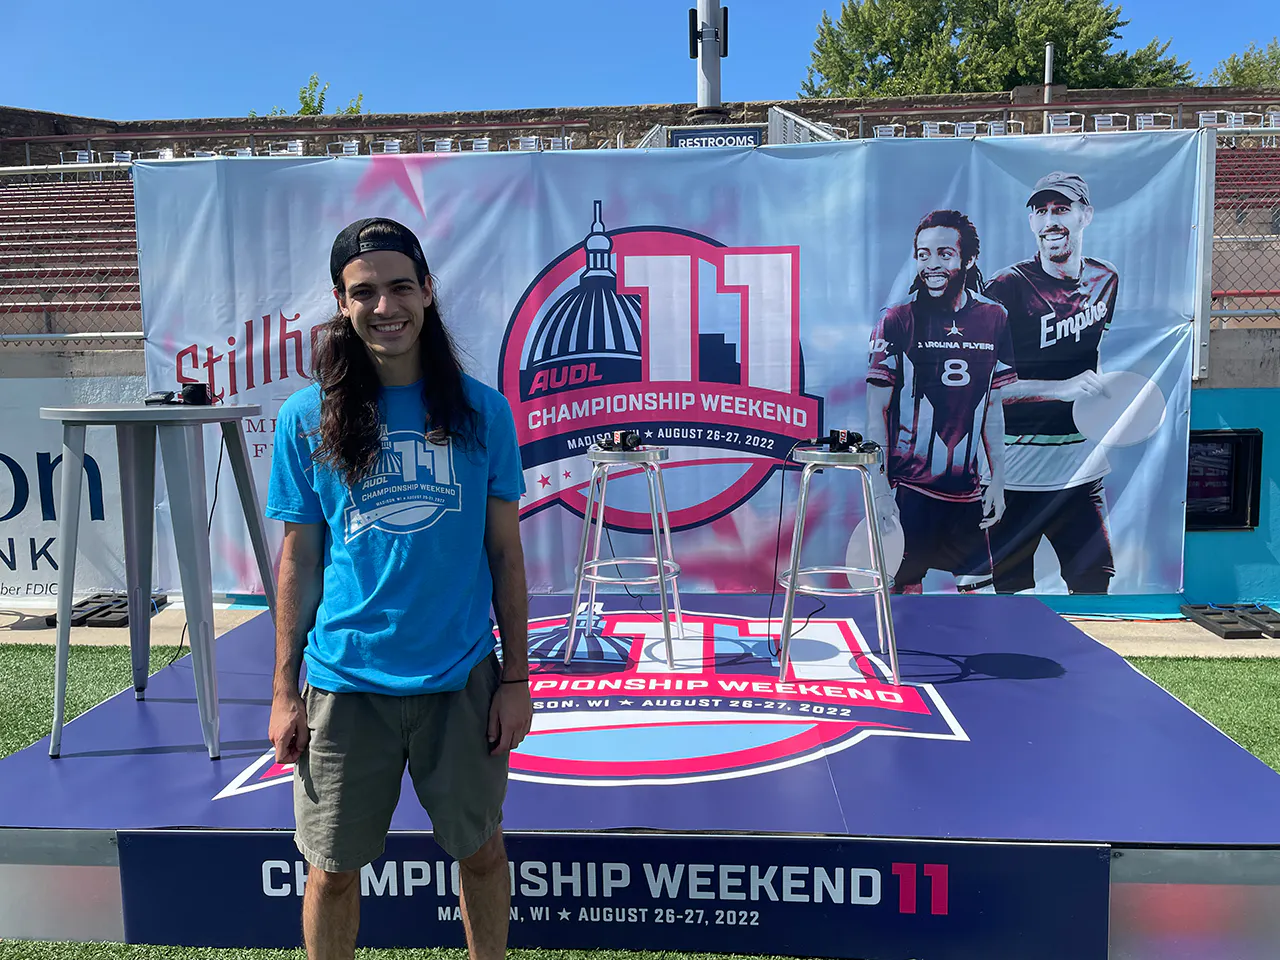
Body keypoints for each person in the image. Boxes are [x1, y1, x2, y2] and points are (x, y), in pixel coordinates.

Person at [265, 217, 532, 960]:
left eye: (400, 287)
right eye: (365, 292)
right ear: (341, 303)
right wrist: (285, 690)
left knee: (480, 854)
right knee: (332, 872)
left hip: (462, 680)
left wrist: (516, 679)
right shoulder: (305, 417)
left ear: (428, 291)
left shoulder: (483, 412)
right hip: (346, 685)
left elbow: (507, 557)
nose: (386, 307)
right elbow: (299, 562)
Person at [865, 209, 1017, 594]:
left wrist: (997, 478)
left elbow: (993, 405)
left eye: (944, 254)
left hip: (967, 496)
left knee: (980, 609)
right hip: (911, 494)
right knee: (901, 608)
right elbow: (875, 412)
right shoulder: (897, 319)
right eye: (923, 254)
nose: (931, 264)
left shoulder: (994, 317)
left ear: (967, 259)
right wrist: (881, 494)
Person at [983, 172, 1120, 595]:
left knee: (1094, 584)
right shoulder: (1006, 287)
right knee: (1009, 592)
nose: (1050, 220)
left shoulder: (1106, 279)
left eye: (1061, 209)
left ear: (1086, 216)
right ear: (1031, 223)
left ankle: (1094, 662)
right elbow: (981, 388)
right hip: (1014, 471)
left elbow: (1097, 358)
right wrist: (1059, 388)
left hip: (1080, 469)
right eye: (1040, 211)